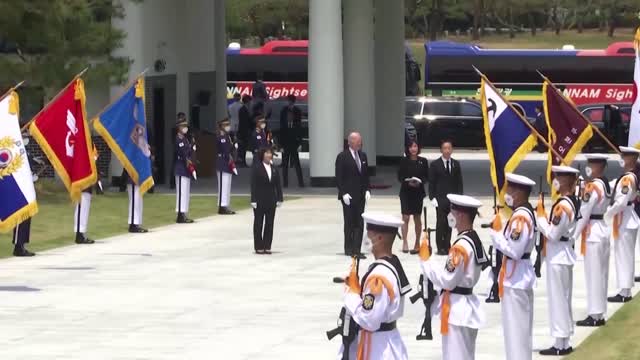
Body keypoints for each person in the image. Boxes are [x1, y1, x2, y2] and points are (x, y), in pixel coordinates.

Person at [419, 194, 488, 360]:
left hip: (457, 308)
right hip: (465, 305)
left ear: (461, 215)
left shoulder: (460, 246)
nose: (450, 215)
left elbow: (448, 280)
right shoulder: (472, 238)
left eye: (453, 211)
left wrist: (426, 261)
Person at [339, 212, 411, 360]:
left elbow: (369, 319)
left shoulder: (378, 277)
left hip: (379, 349)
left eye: (369, 234)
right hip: (386, 342)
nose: (366, 238)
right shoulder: (392, 263)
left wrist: (351, 293)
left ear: (379, 238)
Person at [489, 173, 537, 360]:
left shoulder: (520, 218)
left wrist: (496, 236)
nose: (507, 193)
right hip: (517, 276)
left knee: (516, 333)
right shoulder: (521, 214)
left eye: (510, 189)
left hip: (516, 278)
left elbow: (514, 251)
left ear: (518, 192)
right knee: (518, 333)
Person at [536, 165, 580, 356]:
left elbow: (553, 234)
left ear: (567, 181)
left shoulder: (563, 205)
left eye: (559, 178)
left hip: (558, 253)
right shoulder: (571, 201)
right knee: (563, 298)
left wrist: (540, 218)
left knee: (558, 300)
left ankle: (560, 341)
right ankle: (563, 341)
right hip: (563, 252)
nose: (556, 181)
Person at [573, 154, 611, 326]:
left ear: (598, 166)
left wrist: (572, 237)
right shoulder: (604, 183)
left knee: (594, 275)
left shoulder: (593, 187)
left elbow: (584, 213)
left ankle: (595, 314)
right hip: (602, 228)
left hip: (593, 231)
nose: (589, 167)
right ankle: (599, 312)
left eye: (591, 164)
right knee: (601, 274)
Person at [604, 146, 640, 303]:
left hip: (625, 217)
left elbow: (621, 202)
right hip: (626, 218)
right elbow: (614, 185)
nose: (622, 158)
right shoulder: (626, 177)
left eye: (625, 156)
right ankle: (625, 288)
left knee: (624, 256)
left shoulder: (628, 178)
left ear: (631, 159)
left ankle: (625, 292)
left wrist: (607, 214)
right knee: (624, 255)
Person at [335, 132, 371, 259]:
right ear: (350, 142)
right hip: (348, 196)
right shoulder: (342, 156)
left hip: (360, 195)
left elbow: (366, 175)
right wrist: (343, 193)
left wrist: (367, 190)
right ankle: (348, 248)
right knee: (349, 222)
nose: (360, 143)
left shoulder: (363, 156)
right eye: (357, 141)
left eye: (360, 141)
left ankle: (357, 249)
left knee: (359, 223)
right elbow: (339, 177)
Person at [428, 140, 463, 255]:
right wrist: (432, 197)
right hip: (440, 199)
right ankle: (440, 246)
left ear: (452, 150)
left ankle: (447, 245)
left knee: (450, 223)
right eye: (445, 148)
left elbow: (459, 182)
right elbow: (432, 182)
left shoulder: (455, 164)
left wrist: (459, 199)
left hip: (452, 199)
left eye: (449, 148)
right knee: (441, 223)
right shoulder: (435, 164)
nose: (447, 151)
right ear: (441, 150)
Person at [397, 140, 429, 254]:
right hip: (406, 192)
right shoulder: (403, 161)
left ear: (418, 148)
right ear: (408, 149)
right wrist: (408, 182)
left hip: (418, 192)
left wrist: (420, 182)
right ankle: (405, 242)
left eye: (415, 146)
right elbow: (400, 176)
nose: (413, 149)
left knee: (417, 218)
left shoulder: (423, 161)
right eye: (411, 147)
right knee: (405, 217)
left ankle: (416, 243)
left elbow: (426, 176)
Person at [250, 147, 283, 254]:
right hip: (259, 199)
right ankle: (258, 246)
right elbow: (253, 185)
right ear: (262, 155)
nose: (269, 155)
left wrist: (280, 198)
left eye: (270, 154)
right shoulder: (257, 168)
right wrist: (253, 199)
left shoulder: (274, 168)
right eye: (267, 153)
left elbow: (278, 184)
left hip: (271, 199)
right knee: (258, 223)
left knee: (269, 224)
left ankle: (267, 245)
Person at [73, 145, 100, 244]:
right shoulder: (80, 142)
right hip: (81, 176)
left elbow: (94, 156)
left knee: (85, 205)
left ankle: (82, 233)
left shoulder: (87, 142)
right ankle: (79, 234)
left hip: (87, 175)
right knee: (81, 205)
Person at [279, 94, 304, 188]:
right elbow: (281, 127)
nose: (289, 103)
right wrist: (280, 145)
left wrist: (300, 143)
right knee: (285, 163)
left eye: (290, 101)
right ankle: (285, 183)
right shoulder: (284, 111)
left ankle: (301, 182)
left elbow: (299, 127)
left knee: (297, 163)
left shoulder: (297, 111)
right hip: (285, 141)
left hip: (294, 141)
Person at [174, 116, 195, 224]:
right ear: (179, 127)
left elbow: (189, 152)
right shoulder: (179, 139)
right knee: (182, 192)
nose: (185, 128)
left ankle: (184, 213)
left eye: (186, 126)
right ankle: (180, 214)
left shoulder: (186, 139)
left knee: (186, 191)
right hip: (181, 167)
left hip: (186, 168)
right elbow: (183, 153)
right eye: (183, 126)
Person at [216, 118, 236, 215]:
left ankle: (226, 205)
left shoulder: (227, 136)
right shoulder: (221, 137)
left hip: (227, 162)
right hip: (222, 162)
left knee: (227, 185)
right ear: (221, 126)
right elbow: (225, 150)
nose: (228, 126)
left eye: (228, 124)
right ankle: (222, 206)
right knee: (223, 185)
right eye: (226, 125)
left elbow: (230, 149)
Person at [237, 95, 252, 166]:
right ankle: (242, 162)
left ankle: (243, 162)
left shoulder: (244, 109)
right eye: (250, 101)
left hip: (244, 131)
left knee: (244, 147)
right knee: (243, 147)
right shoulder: (243, 109)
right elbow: (244, 122)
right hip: (244, 131)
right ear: (248, 101)